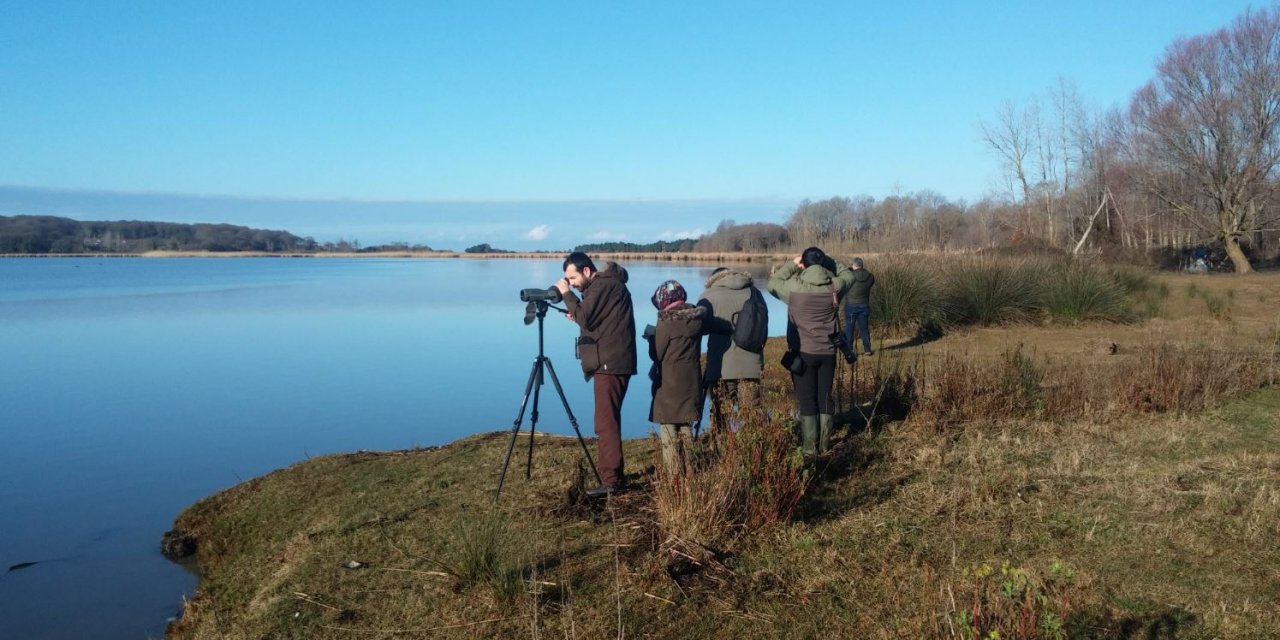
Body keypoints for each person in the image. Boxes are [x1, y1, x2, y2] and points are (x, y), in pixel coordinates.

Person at [554, 252, 637, 497]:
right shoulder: (607, 286)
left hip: (610, 363)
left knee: (605, 422)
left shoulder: (603, 285)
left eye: (572, 277)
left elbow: (586, 316)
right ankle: (613, 476)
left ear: (587, 271)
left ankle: (611, 481)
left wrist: (566, 295)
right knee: (607, 420)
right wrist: (577, 311)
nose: (571, 282)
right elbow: (592, 319)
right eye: (567, 280)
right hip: (612, 361)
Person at [767, 246, 856, 460]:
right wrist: (828, 262)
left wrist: (792, 264)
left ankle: (809, 450)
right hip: (827, 352)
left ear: (803, 264)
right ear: (823, 263)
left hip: (803, 352)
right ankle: (825, 446)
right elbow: (848, 274)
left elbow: (772, 284)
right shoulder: (834, 287)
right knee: (825, 397)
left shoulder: (794, 289)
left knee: (807, 400)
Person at [644, 280, 704, 476]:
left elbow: (657, 354)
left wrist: (651, 338)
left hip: (670, 381)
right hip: (692, 378)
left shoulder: (666, 321)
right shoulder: (696, 318)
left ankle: (673, 477)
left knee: (668, 427)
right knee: (686, 425)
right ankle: (690, 472)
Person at [696, 267, 765, 432]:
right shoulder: (754, 292)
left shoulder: (708, 295)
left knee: (720, 411)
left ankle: (722, 449)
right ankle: (756, 452)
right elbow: (763, 325)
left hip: (720, 364)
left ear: (714, 279)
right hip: (751, 363)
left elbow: (699, 328)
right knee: (753, 413)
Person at [843, 257, 876, 356]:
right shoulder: (870, 276)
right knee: (864, 328)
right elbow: (871, 282)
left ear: (854, 265)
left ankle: (849, 350)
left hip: (851, 306)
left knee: (850, 329)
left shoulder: (850, 276)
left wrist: (848, 270)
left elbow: (844, 281)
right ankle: (867, 349)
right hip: (864, 305)